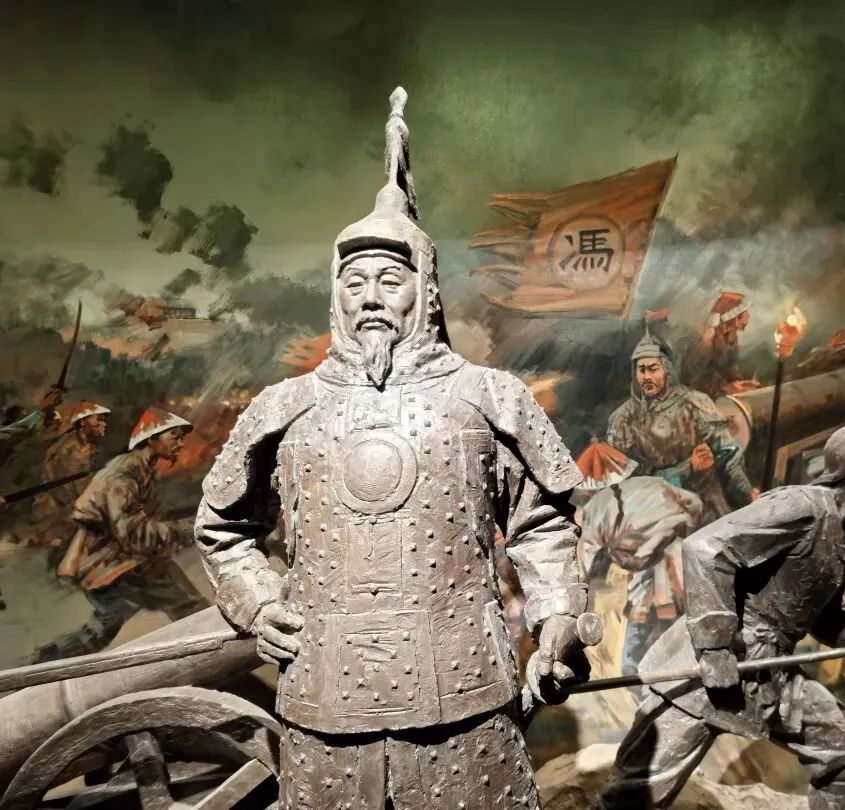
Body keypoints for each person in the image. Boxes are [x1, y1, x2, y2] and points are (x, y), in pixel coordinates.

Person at [195, 87, 592, 810]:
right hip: (324, 703)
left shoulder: (489, 397)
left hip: (467, 701)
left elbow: (541, 524)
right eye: (355, 282)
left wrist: (558, 615)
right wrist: (256, 603)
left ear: (426, 290)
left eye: (390, 279)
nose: (371, 296)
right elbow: (223, 528)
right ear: (335, 296)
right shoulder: (285, 408)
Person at [596, 425, 845, 810]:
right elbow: (706, 548)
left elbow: (828, 621)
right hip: (700, 675)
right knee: (633, 799)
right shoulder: (802, 506)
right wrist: (716, 652)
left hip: (767, 671)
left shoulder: (839, 533)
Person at [30, 406, 206, 663]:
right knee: (192, 608)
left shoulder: (140, 469)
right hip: (111, 563)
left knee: (103, 628)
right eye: (174, 437)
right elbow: (132, 534)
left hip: (113, 560)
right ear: (152, 439)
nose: (180, 444)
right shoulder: (125, 474)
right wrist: (189, 528)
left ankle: (44, 661)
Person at [576, 439, 704, 677]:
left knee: (639, 644)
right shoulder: (654, 483)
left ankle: (642, 676)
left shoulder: (593, 508)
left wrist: (584, 593)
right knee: (679, 622)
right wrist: (688, 530)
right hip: (674, 559)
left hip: (651, 566)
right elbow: (695, 503)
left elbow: (588, 556)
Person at [607, 327, 755, 522]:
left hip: (706, 505)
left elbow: (729, 457)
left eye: (653, 368)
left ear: (667, 370)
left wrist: (748, 496)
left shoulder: (696, 403)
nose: (647, 376)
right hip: (655, 512)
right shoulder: (622, 419)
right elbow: (627, 482)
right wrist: (686, 468)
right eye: (641, 369)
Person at [29, 401, 110, 556]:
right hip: (58, 508)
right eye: (99, 419)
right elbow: (63, 487)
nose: (104, 424)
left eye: (104, 420)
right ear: (83, 422)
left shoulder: (94, 447)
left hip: (75, 504)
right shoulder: (67, 448)